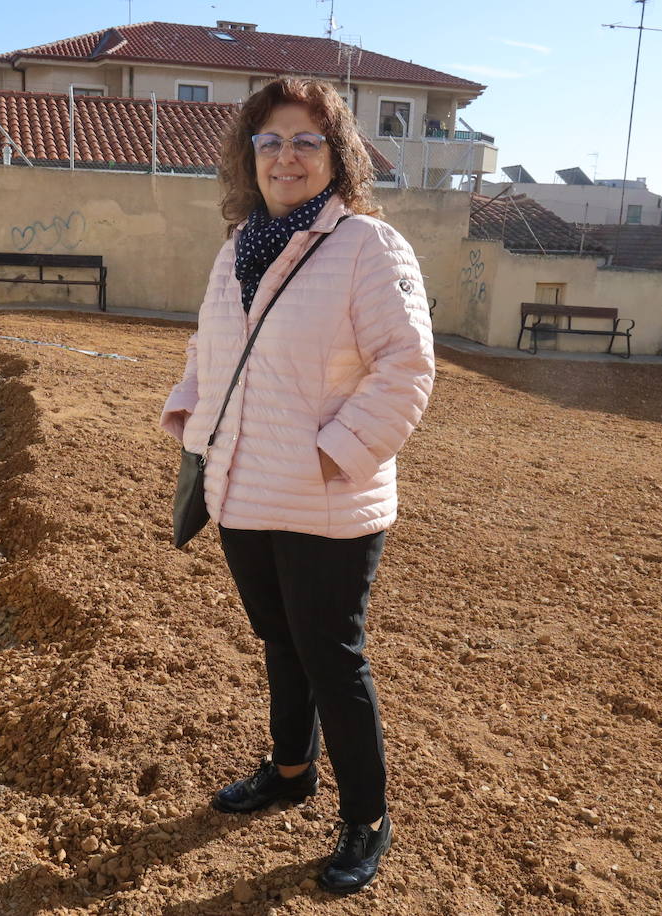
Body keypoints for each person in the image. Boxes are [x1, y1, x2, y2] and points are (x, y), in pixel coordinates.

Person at [160, 77, 435, 894]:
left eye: (306, 141)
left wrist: (337, 451)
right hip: (242, 489)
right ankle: (289, 772)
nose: (286, 156)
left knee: (332, 657)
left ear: (336, 155)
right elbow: (213, 346)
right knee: (280, 643)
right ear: (252, 156)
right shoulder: (239, 244)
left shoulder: (368, 248)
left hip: (326, 497)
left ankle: (368, 817)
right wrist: (190, 414)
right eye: (271, 141)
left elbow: (408, 367)